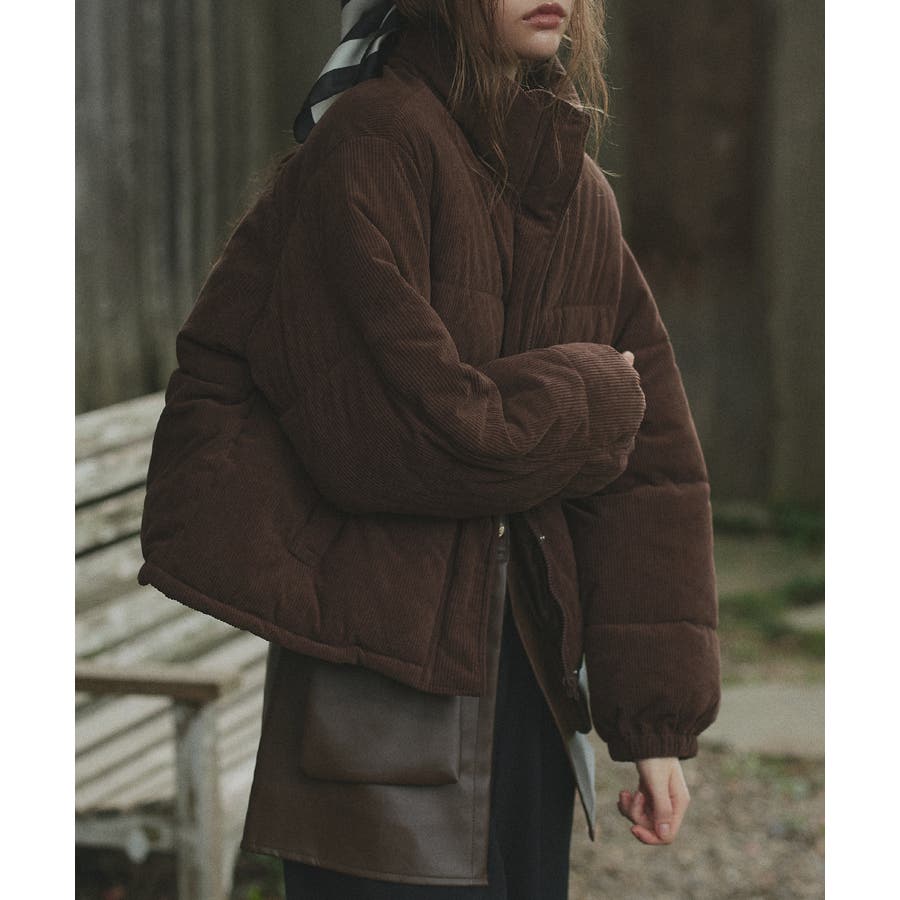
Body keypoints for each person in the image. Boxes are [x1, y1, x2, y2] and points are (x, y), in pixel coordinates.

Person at [138, 1, 721, 897]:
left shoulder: (573, 189)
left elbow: (654, 471)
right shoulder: (372, 142)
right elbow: (396, 433)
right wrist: (593, 395)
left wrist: (654, 720)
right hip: (377, 703)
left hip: (528, 685)